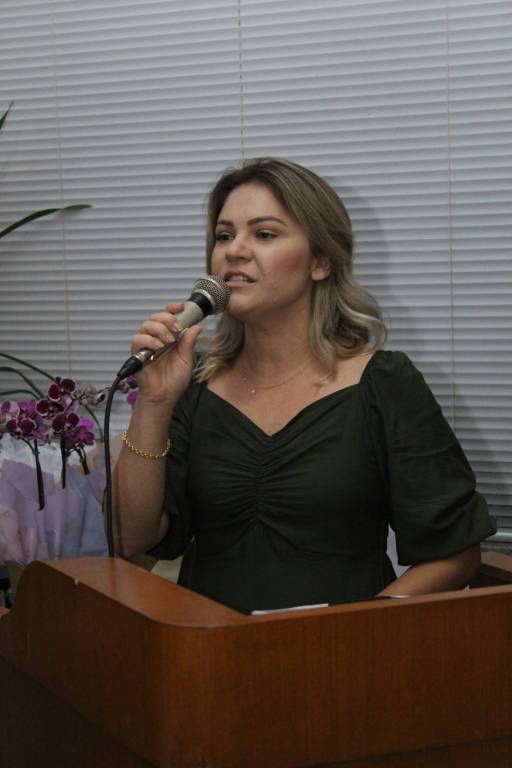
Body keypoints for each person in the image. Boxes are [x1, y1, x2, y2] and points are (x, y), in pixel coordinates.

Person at [112, 157, 496, 613]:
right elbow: (129, 539)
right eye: (224, 235)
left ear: (321, 261)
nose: (235, 251)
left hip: (345, 649)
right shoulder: (193, 387)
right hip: (211, 646)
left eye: (264, 234)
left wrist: (352, 631)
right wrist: (155, 401)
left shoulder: (384, 382)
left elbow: (456, 552)